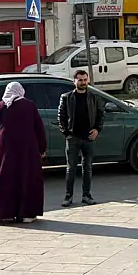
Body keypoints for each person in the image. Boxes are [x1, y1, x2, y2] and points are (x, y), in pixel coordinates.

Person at [0, 82, 46, 225]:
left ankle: (4, 214)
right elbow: (39, 128)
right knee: (27, 177)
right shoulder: (29, 105)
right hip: (27, 147)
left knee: (5, 178)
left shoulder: (1, 106)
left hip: (5, 147)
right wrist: (42, 148)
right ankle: (27, 214)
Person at [58, 70, 104, 207]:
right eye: (80, 80)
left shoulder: (94, 97)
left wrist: (97, 129)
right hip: (73, 138)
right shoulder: (66, 98)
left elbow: (101, 115)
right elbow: (61, 117)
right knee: (70, 169)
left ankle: (86, 195)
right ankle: (68, 196)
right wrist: (66, 133)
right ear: (75, 81)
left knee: (87, 168)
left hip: (88, 139)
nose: (83, 83)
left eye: (85, 80)